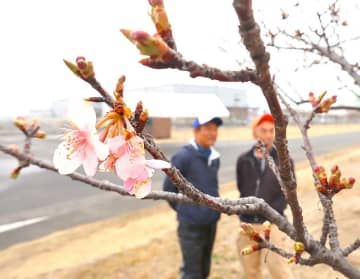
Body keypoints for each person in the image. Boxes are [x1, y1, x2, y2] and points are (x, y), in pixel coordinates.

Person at [236, 113, 295, 279]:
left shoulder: (285, 161)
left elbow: (289, 192)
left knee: (280, 271)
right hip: (248, 224)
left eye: (271, 131)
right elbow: (242, 188)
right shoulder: (243, 160)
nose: (268, 135)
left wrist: (271, 212)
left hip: (273, 224)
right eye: (264, 130)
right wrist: (244, 213)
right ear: (255, 132)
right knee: (250, 272)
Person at [163, 115, 223, 279]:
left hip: (210, 222)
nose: (213, 133)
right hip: (190, 225)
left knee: (205, 269)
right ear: (196, 131)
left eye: (215, 129)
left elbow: (212, 187)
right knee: (192, 273)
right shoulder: (183, 156)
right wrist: (187, 209)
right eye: (208, 128)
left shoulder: (214, 157)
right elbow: (169, 190)